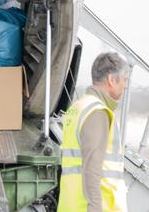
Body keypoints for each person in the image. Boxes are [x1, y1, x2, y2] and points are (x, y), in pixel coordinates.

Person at [58, 51, 130, 212]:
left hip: (72, 204)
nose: (125, 86)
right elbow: (92, 168)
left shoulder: (78, 107)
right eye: (124, 80)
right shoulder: (97, 112)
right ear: (112, 79)